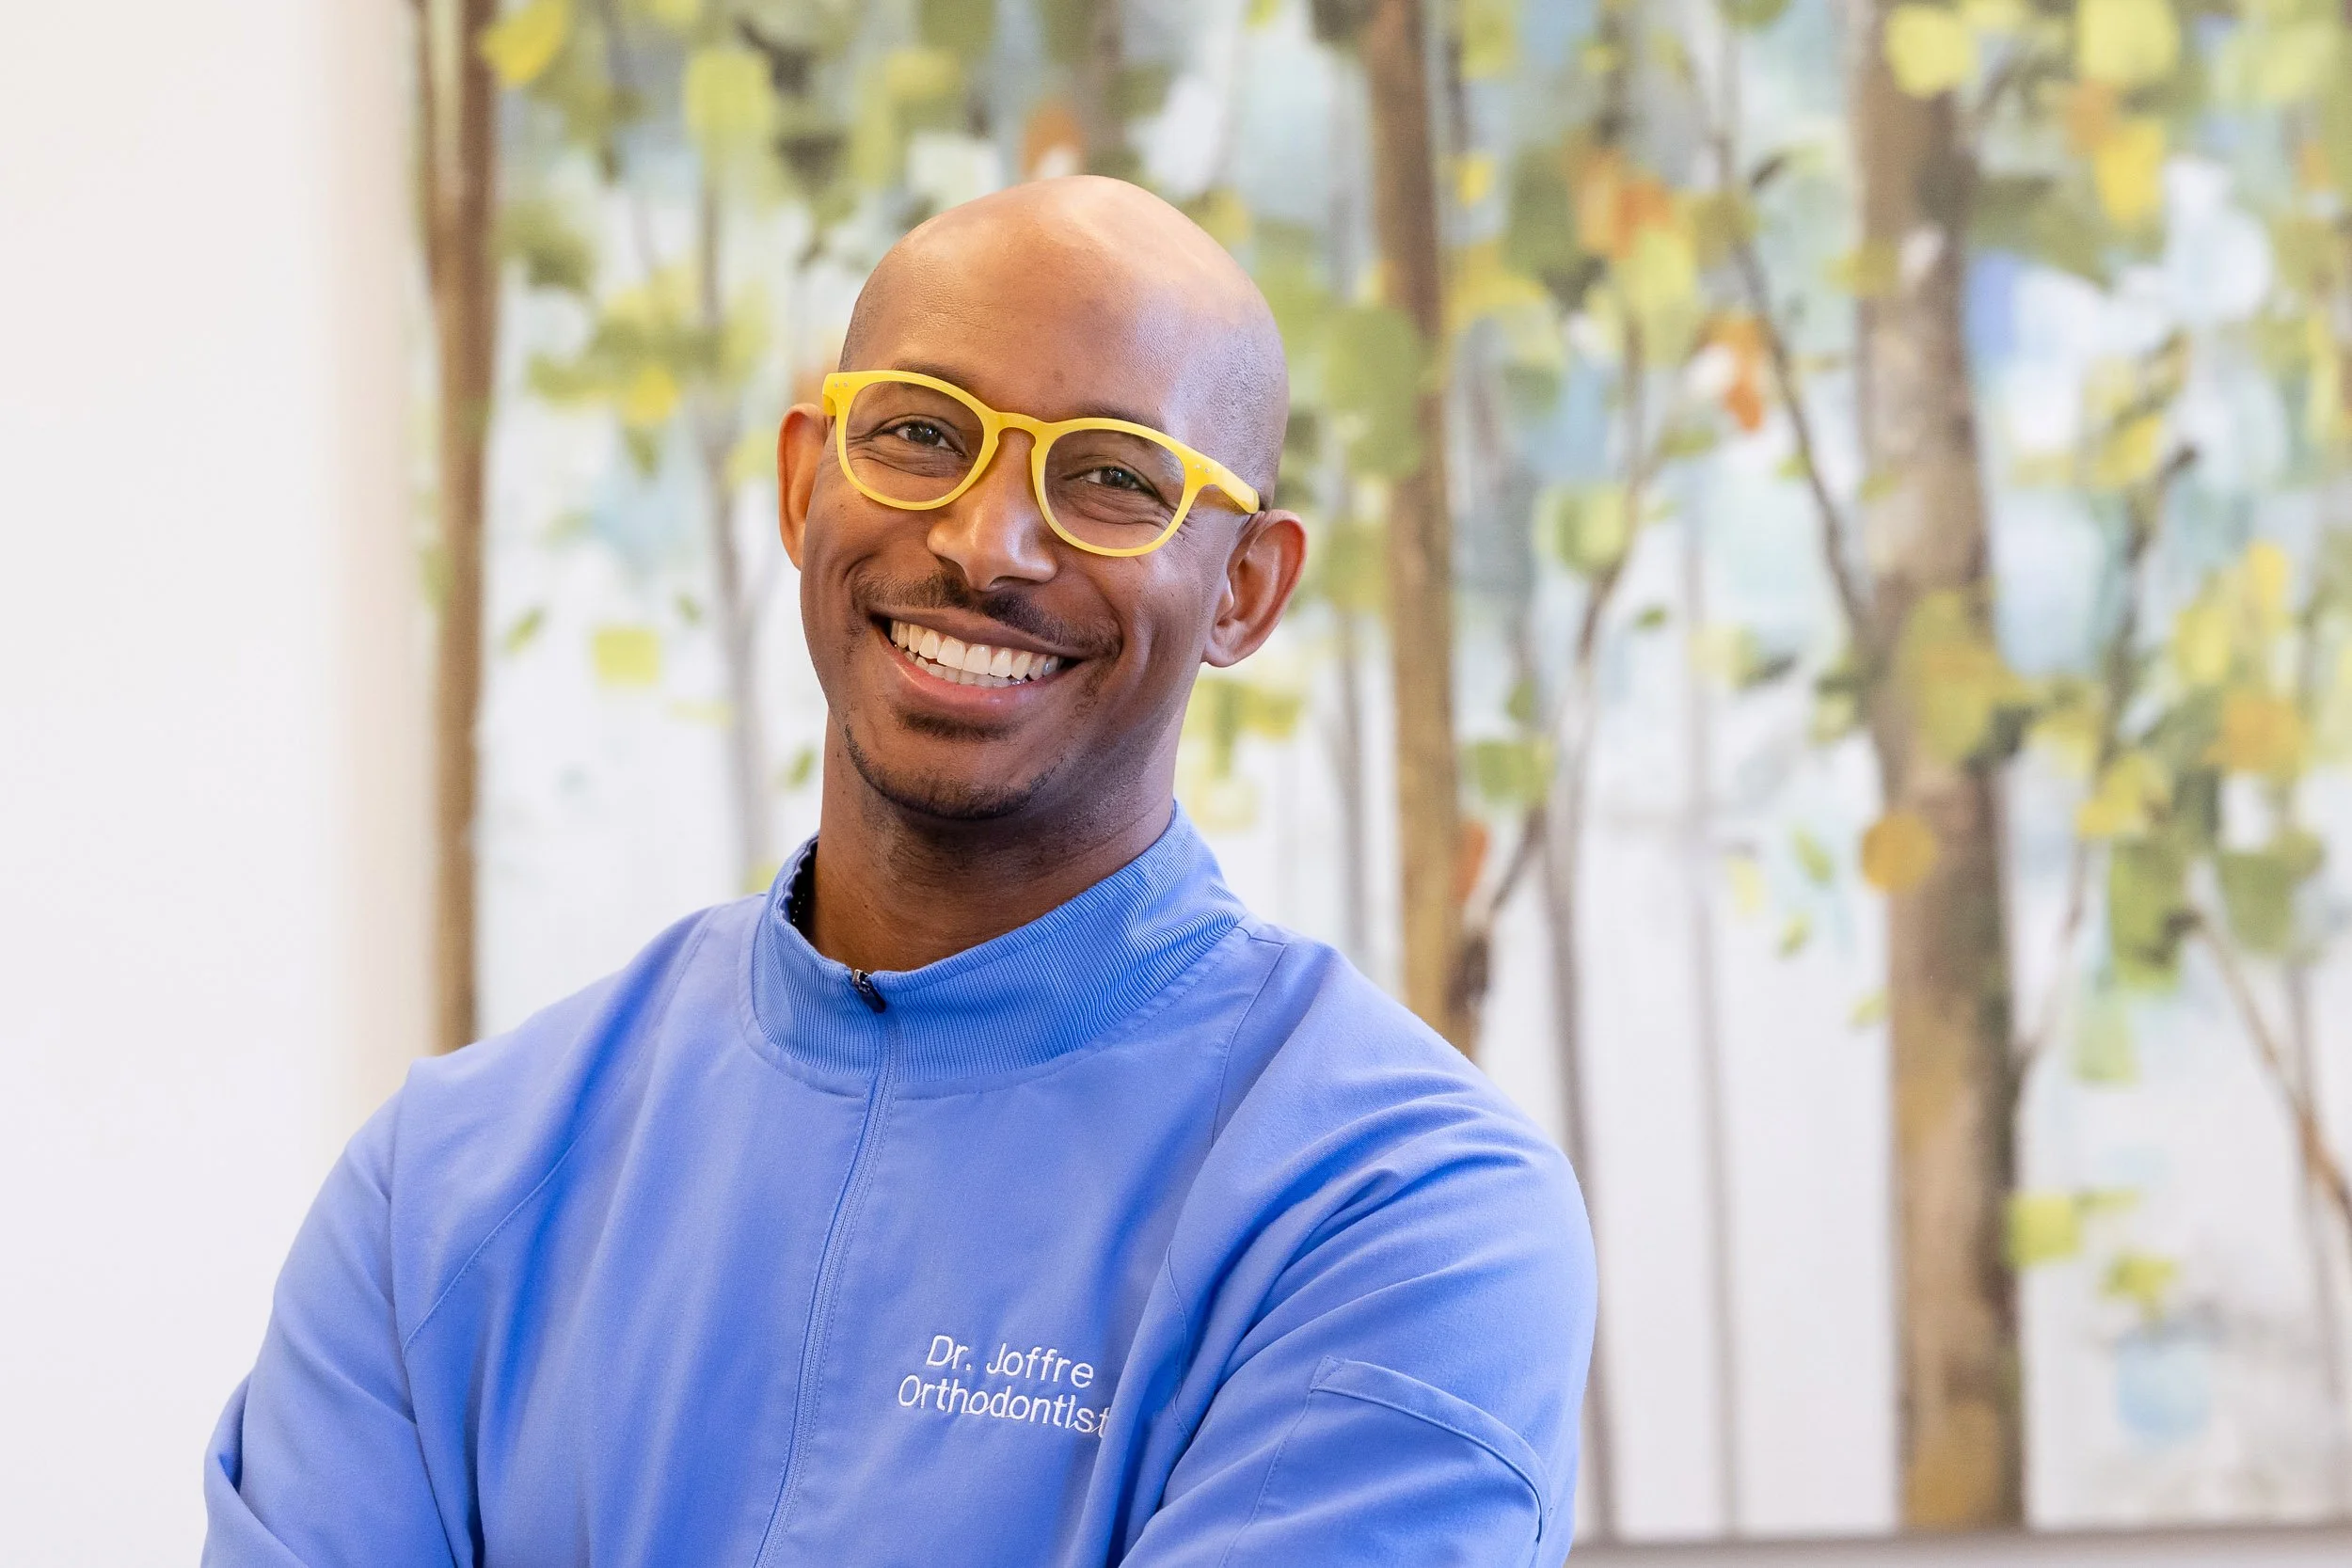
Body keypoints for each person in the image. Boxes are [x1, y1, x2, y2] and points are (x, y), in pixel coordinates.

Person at [203, 176, 1596, 1567]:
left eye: (1110, 475)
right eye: (923, 435)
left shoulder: (1403, 1210)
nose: (987, 543)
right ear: (809, 478)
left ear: (1245, 587)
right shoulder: (442, 1188)